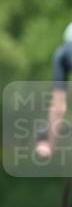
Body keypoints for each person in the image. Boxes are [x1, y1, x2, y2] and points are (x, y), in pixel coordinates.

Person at [36, 22, 72, 160]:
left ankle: (48, 146)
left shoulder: (61, 54)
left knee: (58, 105)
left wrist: (50, 146)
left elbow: (59, 108)